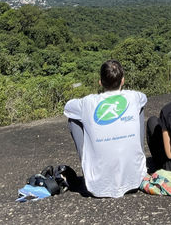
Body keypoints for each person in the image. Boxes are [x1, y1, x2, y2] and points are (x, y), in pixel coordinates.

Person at [63, 60, 147, 198]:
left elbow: (68, 108)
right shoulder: (134, 97)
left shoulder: (88, 102)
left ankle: (89, 169)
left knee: (73, 118)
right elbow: (144, 98)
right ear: (123, 81)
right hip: (136, 180)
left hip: (97, 186)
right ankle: (137, 161)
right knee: (139, 107)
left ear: (100, 82)